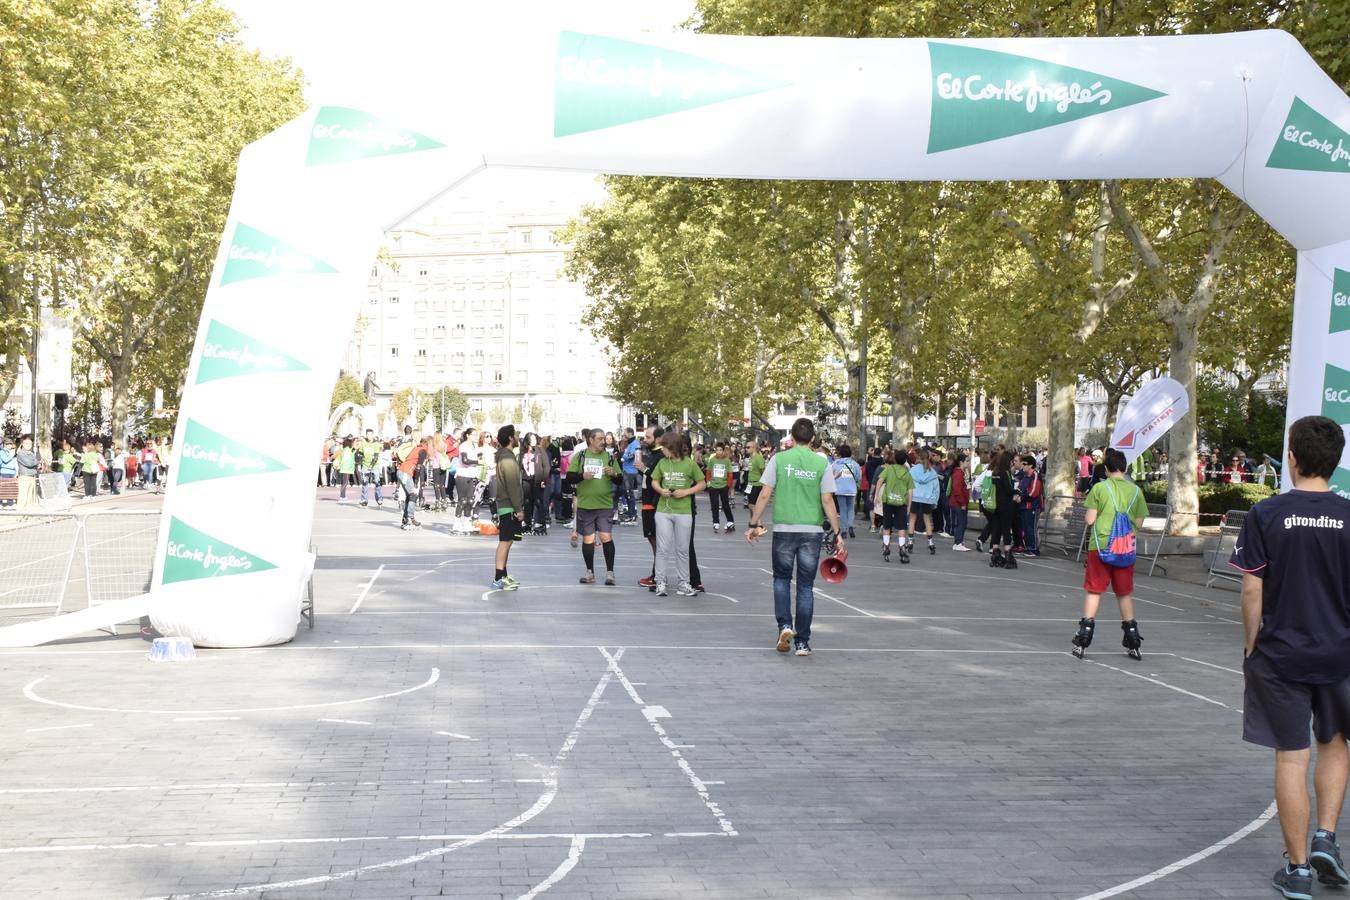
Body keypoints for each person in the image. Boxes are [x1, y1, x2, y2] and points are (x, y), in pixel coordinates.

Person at [1229, 416, 1350, 899]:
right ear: (1336, 462)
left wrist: (1252, 643)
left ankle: (1298, 868)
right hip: (1339, 653)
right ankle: (1326, 837)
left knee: (1291, 756)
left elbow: (1251, 589)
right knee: (1336, 744)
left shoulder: (1268, 514)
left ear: (1292, 458)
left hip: (1280, 654)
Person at [747, 417, 841, 657]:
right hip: (811, 530)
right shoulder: (822, 464)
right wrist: (837, 532)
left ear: (791, 436)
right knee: (806, 586)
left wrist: (754, 522)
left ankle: (785, 626)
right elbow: (828, 500)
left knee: (781, 579)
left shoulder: (779, 459)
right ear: (812, 438)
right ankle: (802, 642)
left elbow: (765, 493)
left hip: (784, 529)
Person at [1071, 448, 1148, 657]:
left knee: (1094, 590)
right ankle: (1132, 638)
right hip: (1125, 547)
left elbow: (1089, 520)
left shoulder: (1099, 489)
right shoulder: (1136, 491)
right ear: (1125, 468)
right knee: (1124, 593)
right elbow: (1139, 522)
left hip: (1101, 545)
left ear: (1106, 469)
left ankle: (1084, 636)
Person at [650, 430, 705, 597]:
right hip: (663, 510)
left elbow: (702, 483)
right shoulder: (662, 463)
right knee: (662, 548)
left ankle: (684, 583)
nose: (662, 450)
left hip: (683, 510)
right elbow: (654, 480)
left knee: (682, 549)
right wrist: (661, 490)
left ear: (671, 447)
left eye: (664, 447)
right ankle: (660, 582)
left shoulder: (689, 463)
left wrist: (686, 491)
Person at [567, 428, 621, 586]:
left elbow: (620, 479)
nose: (603, 441)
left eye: (604, 438)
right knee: (588, 539)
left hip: (604, 504)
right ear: (590, 440)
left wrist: (614, 474)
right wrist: (582, 476)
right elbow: (570, 477)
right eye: (600, 439)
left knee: (606, 537)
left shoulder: (610, 457)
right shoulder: (581, 456)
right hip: (586, 504)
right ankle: (589, 572)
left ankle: (610, 573)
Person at [490, 424, 525, 592]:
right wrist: (518, 508)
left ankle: (503, 574)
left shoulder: (505, 457)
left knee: (508, 541)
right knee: (505, 542)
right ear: (511, 438)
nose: (518, 437)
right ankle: (498, 578)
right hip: (508, 506)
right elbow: (512, 486)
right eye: (516, 435)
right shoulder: (508, 459)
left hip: (507, 505)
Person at [873, 449, 913, 564]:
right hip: (901, 502)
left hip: (888, 501)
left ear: (894, 459)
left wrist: (876, 495)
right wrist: (909, 506)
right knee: (901, 527)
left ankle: (886, 546)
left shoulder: (889, 470)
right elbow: (910, 491)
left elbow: (880, 481)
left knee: (887, 525)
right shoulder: (907, 473)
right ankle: (901, 547)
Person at [988, 450, 1018, 569]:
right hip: (1005, 505)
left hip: (995, 505)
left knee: (996, 529)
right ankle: (1008, 554)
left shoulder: (994, 472)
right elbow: (1009, 490)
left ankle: (995, 554)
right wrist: (1018, 491)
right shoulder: (1005, 473)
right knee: (1006, 529)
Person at [908, 448, 940, 556]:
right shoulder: (933, 472)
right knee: (928, 521)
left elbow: (908, 485)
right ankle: (930, 543)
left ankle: (910, 541)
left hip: (915, 497)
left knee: (912, 519)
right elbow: (936, 488)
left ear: (919, 457)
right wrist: (934, 500)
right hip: (927, 499)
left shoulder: (913, 470)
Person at [394, 436, 427, 530]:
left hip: (404, 471)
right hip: (405, 472)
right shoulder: (423, 451)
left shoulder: (417, 448)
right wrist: (417, 482)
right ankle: (410, 518)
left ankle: (405, 519)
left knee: (410, 496)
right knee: (413, 495)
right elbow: (418, 468)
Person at [1015, 454, 1043, 557]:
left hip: (1033, 506)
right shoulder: (1025, 476)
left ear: (1031, 465)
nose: (1023, 466)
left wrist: (1021, 497)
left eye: (1025, 464)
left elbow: (1033, 492)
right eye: (1023, 464)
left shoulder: (1035, 475)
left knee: (1031, 528)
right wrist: (1017, 495)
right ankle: (1028, 547)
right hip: (1023, 506)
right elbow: (1020, 489)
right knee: (1025, 528)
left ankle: (1034, 549)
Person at [830, 445, 861, 540]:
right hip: (851, 489)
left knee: (842, 510)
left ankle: (843, 531)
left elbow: (831, 476)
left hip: (840, 489)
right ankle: (850, 526)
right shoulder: (855, 464)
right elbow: (858, 477)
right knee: (851, 508)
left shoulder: (835, 464)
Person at [453, 427, 480, 534]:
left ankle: (467, 523)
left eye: (476, 435)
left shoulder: (476, 447)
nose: (475, 437)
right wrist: (477, 462)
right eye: (473, 434)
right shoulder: (463, 446)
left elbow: (481, 458)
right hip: (462, 475)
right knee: (462, 500)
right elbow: (465, 461)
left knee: (470, 501)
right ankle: (457, 523)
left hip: (471, 475)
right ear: (468, 435)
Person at [705, 442, 736, 534]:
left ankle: (730, 521)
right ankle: (716, 522)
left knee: (725, 504)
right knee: (714, 504)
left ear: (723, 451)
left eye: (720, 450)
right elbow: (708, 472)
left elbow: (730, 474)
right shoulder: (712, 460)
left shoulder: (727, 461)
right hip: (713, 486)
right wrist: (709, 482)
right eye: (717, 450)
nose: (719, 452)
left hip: (723, 485)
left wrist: (728, 485)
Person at [948, 452, 971, 551]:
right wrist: (962, 503)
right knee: (961, 522)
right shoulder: (958, 473)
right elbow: (957, 489)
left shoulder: (962, 472)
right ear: (961, 462)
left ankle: (959, 541)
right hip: (958, 503)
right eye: (967, 461)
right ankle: (958, 542)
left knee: (962, 522)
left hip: (960, 502)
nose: (968, 463)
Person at [358, 429, 384, 508]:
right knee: (364, 482)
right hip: (365, 465)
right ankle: (364, 500)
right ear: (366, 435)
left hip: (374, 465)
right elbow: (360, 455)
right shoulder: (363, 444)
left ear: (373, 435)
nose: (369, 436)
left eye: (370, 434)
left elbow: (376, 457)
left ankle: (379, 499)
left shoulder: (376, 444)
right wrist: (359, 465)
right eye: (368, 434)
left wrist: (371, 466)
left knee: (377, 482)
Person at [15, 435, 39, 513]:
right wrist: (36, 462)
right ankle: (20, 514)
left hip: (32, 477)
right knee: (23, 497)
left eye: (30, 444)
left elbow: (33, 463)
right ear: (22, 444)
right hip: (24, 477)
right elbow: (29, 463)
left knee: (30, 498)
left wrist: (36, 463)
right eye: (26, 443)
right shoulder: (20, 453)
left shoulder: (31, 453)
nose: (28, 445)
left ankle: (27, 514)